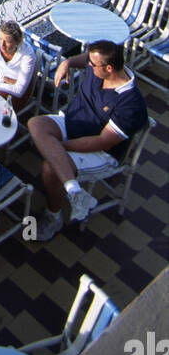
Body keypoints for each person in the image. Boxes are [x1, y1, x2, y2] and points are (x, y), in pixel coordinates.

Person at [28, 41, 149, 241]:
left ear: (109, 68)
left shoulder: (131, 104)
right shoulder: (99, 65)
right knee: (35, 124)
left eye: (93, 65)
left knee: (50, 167)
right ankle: (74, 190)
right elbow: (86, 58)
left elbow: (102, 142)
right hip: (74, 124)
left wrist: (57, 148)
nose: (89, 66)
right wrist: (67, 62)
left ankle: (53, 217)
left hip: (101, 153)